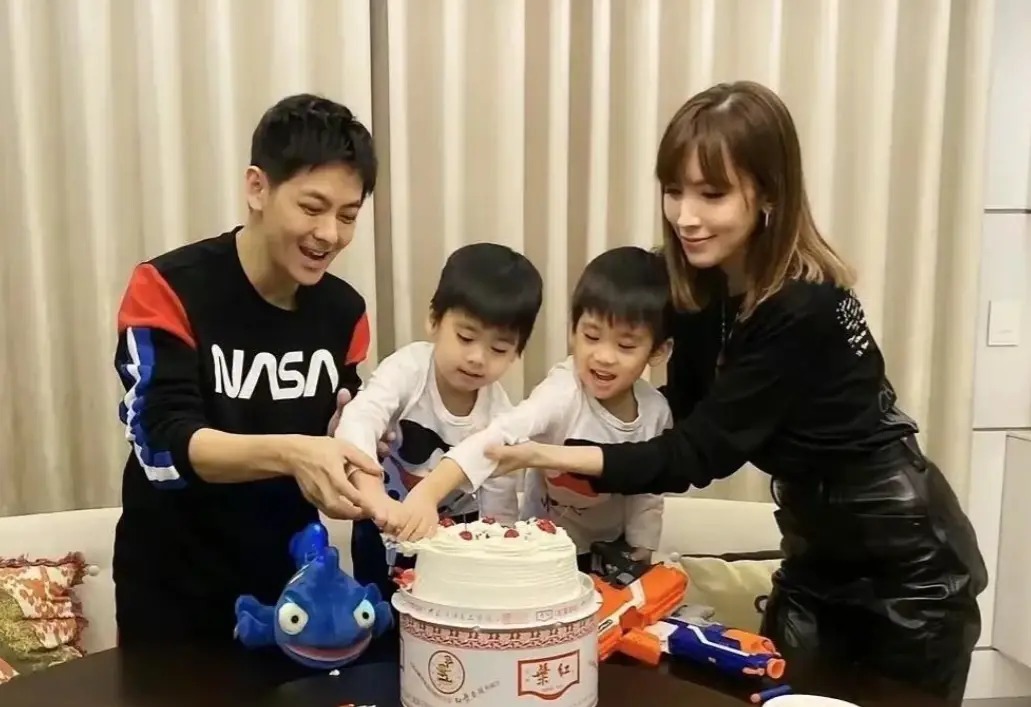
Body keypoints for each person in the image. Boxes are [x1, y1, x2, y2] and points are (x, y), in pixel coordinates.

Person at [478, 81, 988, 703]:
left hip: (908, 567)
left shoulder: (804, 305)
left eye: (712, 194)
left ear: (769, 192)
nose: (685, 217)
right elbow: (680, 415)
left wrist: (551, 454)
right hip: (812, 552)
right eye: (674, 190)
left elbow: (699, 453)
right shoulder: (699, 283)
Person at [112, 94, 385, 658]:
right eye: (312, 207)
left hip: (293, 588)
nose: (329, 234)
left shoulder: (344, 312)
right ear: (258, 188)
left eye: (348, 215)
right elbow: (160, 444)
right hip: (174, 589)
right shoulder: (168, 288)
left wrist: (353, 449)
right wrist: (293, 453)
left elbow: (340, 423)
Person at [389, 246, 672, 573]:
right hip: (543, 545)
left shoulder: (656, 412)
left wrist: (642, 544)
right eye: (591, 336)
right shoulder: (562, 392)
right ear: (573, 329)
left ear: (658, 351)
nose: (604, 356)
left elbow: (649, 487)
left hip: (611, 546)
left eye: (625, 346)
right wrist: (430, 491)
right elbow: (498, 436)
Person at [334, 242, 543, 602]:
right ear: (434, 320)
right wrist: (372, 494)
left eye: (498, 349)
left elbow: (500, 509)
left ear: (517, 353)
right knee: (377, 612)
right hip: (383, 515)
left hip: (456, 534)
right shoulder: (408, 370)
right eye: (466, 337)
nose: (477, 358)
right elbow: (360, 418)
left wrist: (495, 560)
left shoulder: (500, 416)